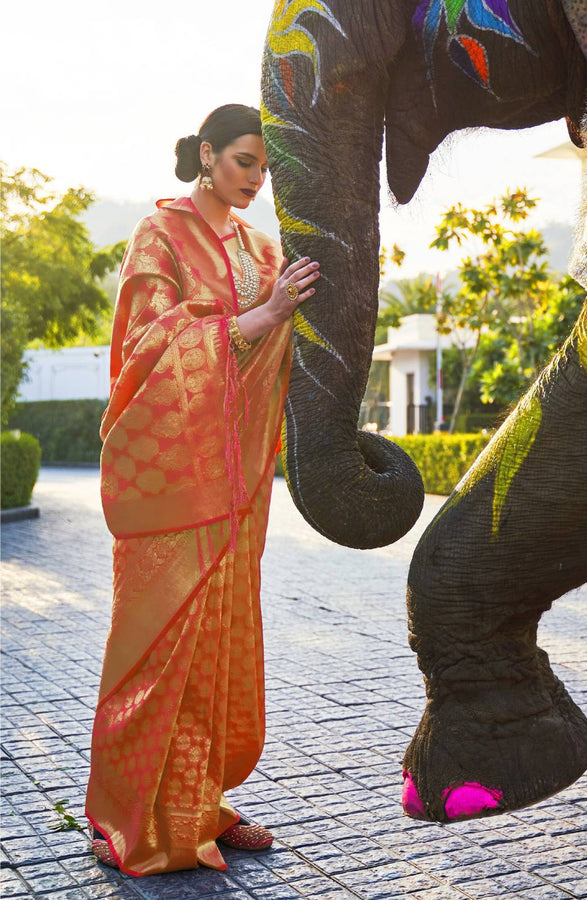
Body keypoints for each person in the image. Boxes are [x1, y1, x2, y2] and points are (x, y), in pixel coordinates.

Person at [85, 104, 320, 876]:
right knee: (156, 653)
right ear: (208, 155)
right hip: (173, 481)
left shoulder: (261, 246)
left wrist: (289, 312)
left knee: (217, 649)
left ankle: (202, 805)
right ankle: (126, 817)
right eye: (246, 161)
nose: (256, 178)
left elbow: (276, 351)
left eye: (265, 167)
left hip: (234, 488)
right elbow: (150, 348)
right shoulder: (160, 234)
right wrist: (264, 313)